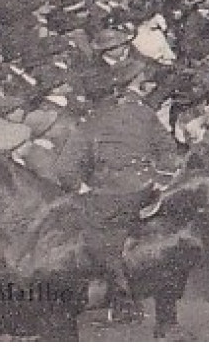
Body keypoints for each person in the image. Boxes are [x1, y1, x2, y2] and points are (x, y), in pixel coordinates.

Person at [54, 64, 181, 321]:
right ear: (116, 91)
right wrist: (162, 179)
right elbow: (168, 149)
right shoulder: (141, 113)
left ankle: (122, 298)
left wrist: (81, 187)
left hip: (112, 193)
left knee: (93, 233)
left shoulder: (89, 124)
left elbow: (65, 168)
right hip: (149, 186)